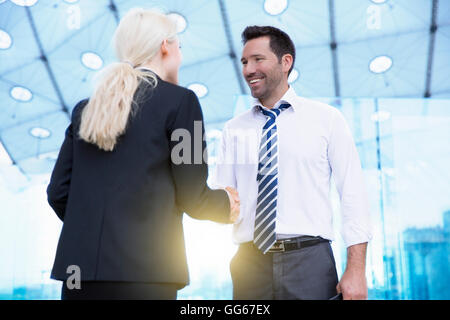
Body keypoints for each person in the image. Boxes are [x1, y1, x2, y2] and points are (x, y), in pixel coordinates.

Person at [46, 8, 240, 300]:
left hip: (79, 275)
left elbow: (58, 192)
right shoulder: (181, 103)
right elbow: (193, 195)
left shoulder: (85, 109)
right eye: (179, 46)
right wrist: (227, 204)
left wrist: (92, 226)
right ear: (166, 46)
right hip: (148, 276)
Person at [214, 26, 372, 300]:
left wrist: (356, 269)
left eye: (257, 59)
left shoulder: (327, 119)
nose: (248, 69)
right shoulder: (233, 130)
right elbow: (224, 198)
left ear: (285, 62)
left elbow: (353, 194)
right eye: (244, 62)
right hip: (249, 265)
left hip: (309, 262)